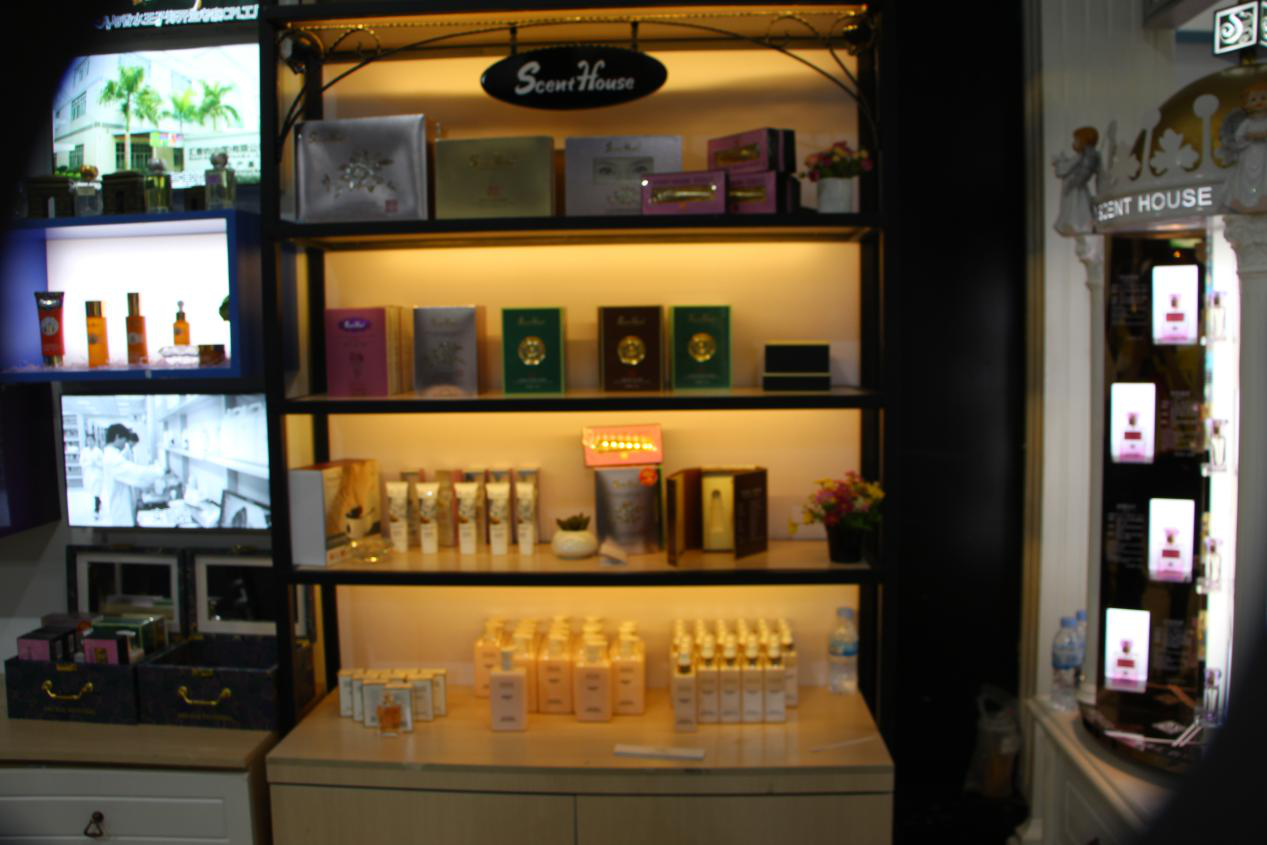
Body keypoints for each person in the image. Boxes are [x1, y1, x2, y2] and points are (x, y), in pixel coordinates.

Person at [98, 423, 166, 527]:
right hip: (120, 506)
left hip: (121, 501)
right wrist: (159, 471)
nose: (125, 444)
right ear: (117, 437)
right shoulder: (112, 458)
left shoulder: (113, 454)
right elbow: (135, 473)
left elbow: (133, 472)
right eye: (124, 440)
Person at [1220, 81, 1267, 212]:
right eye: (1253, 99)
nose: (1259, 102)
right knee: (1246, 177)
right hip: (1250, 153)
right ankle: (1247, 200)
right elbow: (1239, 137)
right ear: (1247, 104)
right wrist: (1249, 137)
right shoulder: (1247, 123)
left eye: (1263, 98)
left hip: (1264, 153)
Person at [1052, 126, 1101, 235]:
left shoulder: (1081, 157)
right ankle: (1075, 225)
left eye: (1076, 140)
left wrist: (1059, 163)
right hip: (1073, 186)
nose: (1074, 143)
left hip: (1074, 186)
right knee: (1072, 207)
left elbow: (1064, 169)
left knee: (1077, 206)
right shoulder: (1080, 157)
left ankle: (1080, 225)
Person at [79, 434, 102, 520]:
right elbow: (81, 463)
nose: (89, 442)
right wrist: (89, 463)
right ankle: (99, 502)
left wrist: (97, 464)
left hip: (97, 474)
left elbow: (103, 463)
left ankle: (96, 511)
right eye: (88, 440)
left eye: (91, 440)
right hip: (89, 474)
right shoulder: (84, 451)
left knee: (97, 491)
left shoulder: (98, 451)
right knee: (93, 492)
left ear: (94, 441)